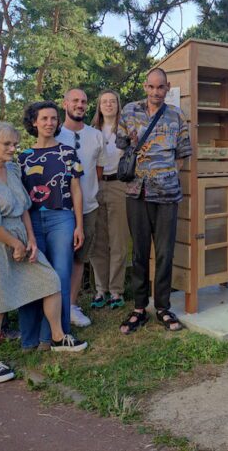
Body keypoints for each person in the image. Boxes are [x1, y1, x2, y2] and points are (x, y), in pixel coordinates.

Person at [0, 122, 87, 384]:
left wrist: (30, 239)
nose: (13, 149)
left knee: (50, 281)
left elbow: (23, 207)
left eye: (15, 144)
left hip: (20, 236)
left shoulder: (10, 169)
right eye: (7, 144)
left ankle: (57, 337)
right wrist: (14, 244)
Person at [117, 67, 192, 334]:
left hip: (167, 195)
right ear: (145, 86)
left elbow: (182, 154)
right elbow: (123, 145)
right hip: (136, 193)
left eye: (161, 88)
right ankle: (139, 307)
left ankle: (162, 306)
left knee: (164, 252)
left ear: (167, 87)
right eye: (151, 87)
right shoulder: (129, 111)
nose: (156, 92)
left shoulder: (176, 115)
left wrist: (165, 175)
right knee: (139, 251)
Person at [17, 102, 85, 352]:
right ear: (34, 122)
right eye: (44, 118)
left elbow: (76, 190)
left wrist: (79, 225)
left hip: (61, 219)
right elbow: (20, 195)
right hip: (31, 221)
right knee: (32, 277)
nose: (49, 123)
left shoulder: (68, 153)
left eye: (54, 118)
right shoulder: (22, 157)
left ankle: (55, 336)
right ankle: (29, 339)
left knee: (60, 277)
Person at [56, 89, 103, 328]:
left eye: (84, 101)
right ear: (65, 104)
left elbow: (99, 170)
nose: (80, 105)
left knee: (79, 258)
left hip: (88, 207)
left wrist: (90, 193)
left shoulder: (96, 136)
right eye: (75, 100)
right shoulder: (55, 133)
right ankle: (56, 308)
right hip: (60, 209)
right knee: (58, 258)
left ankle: (72, 305)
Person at [89, 90, 130, 309]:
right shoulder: (91, 131)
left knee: (118, 241)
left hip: (118, 185)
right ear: (99, 105)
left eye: (112, 101)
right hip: (95, 186)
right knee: (98, 241)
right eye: (104, 101)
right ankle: (100, 290)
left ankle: (116, 291)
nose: (108, 105)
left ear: (118, 104)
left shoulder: (125, 129)